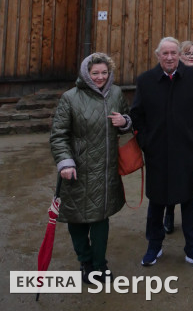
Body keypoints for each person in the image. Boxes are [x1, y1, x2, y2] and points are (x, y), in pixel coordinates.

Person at [131, 36, 193, 269]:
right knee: (157, 202)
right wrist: (145, 141)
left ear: (179, 55)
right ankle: (154, 245)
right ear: (158, 55)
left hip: (188, 152)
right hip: (157, 152)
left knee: (191, 202)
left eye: (173, 53)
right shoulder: (146, 81)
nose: (169, 57)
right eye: (165, 53)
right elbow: (137, 115)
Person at [50, 52, 131, 281]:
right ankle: (85, 262)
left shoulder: (115, 93)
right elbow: (58, 135)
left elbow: (127, 118)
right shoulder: (70, 98)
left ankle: (99, 264)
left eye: (104, 72)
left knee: (100, 217)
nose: (100, 77)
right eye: (95, 73)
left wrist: (125, 122)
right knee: (76, 217)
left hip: (105, 168)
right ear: (86, 73)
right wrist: (65, 162)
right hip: (77, 168)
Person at [162, 39, 193, 235]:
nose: (191, 57)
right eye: (187, 53)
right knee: (171, 177)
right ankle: (169, 213)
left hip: (192, 136)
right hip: (173, 137)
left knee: (192, 180)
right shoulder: (171, 76)